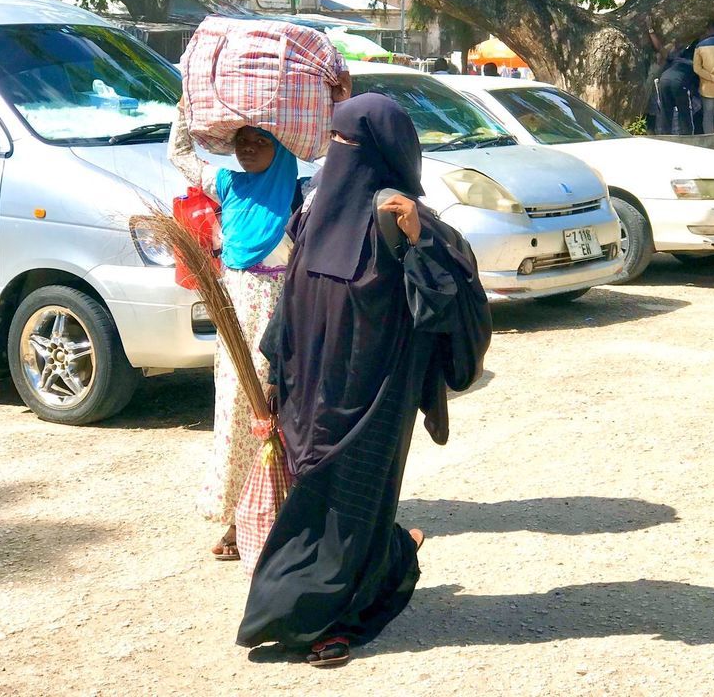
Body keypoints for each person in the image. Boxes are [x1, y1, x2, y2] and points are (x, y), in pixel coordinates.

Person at [237, 94, 490, 665]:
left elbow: (448, 304)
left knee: (355, 502)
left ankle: (328, 618)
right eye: (334, 139)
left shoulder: (400, 216)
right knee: (313, 497)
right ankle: (382, 564)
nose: (337, 151)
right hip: (310, 391)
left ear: (378, 151)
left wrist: (420, 239)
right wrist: (276, 369)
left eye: (348, 142)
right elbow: (292, 300)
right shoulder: (314, 210)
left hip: (377, 393)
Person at [169, 104, 299, 561]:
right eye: (242, 140)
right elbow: (181, 155)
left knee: (278, 415)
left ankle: (282, 514)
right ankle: (236, 517)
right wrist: (185, 107)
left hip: (281, 325)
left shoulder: (299, 198)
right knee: (235, 417)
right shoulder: (227, 184)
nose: (248, 147)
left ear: (281, 147)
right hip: (236, 325)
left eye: (261, 140)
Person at [655, 40, 698, 135]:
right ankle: (687, 138)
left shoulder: (674, 59)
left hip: (663, 81)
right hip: (678, 83)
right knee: (684, 112)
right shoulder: (693, 65)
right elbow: (696, 85)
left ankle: (665, 136)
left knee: (666, 112)